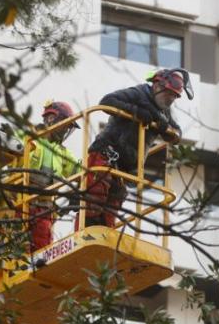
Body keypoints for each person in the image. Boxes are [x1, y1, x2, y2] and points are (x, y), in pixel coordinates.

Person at [81, 68, 192, 229]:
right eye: (168, 93)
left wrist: (166, 128)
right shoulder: (138, 93)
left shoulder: (164, 112)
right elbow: (106, 102)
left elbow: (177, 134)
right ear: (156, 86)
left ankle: (104, 236)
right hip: (105, 153)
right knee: (94, 200)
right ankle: (84, 233)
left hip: (125, 166)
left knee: (111, 209)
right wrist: (136, 112)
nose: (170, 99)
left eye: (174, 96)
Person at [21, 100, 82, 251]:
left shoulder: (60, 152)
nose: (65, 131)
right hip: (21, 204)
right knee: (20, 250)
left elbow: (80, 171)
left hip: (45, 210)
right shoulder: (28, 138)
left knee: (42, 252)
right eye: (65, 126)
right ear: (51, 119)